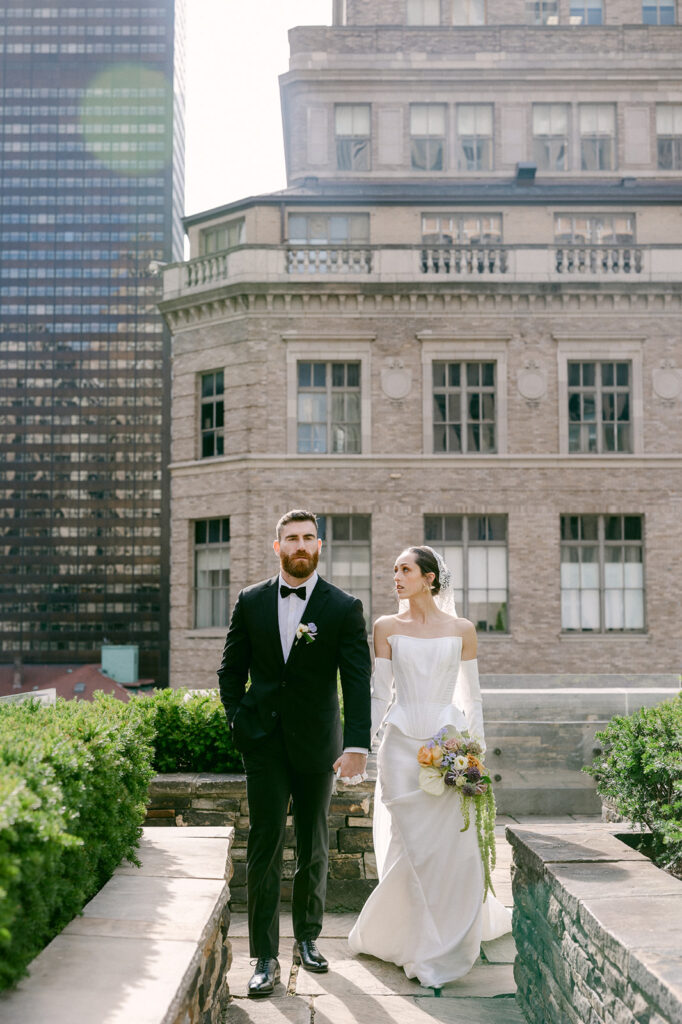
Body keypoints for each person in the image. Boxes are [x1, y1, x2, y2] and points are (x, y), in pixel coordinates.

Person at [218, 509, 371, 998]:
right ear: (277, 546)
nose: (300, 545)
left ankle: (307, 938)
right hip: (262, 744)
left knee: (313, 844)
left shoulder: (344, 607)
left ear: (319, 546)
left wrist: (356, 745)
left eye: (308, 538)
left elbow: (357, 681)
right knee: (264, 846)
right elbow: (229, 670)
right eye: (291, 538)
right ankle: (263, 955)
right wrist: (238, 720)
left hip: (317, 745)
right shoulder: (250, 600)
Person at [348, 545, 511, 989]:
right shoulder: (385, 627)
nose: (396, 577)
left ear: (430, 578)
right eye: (393, 569)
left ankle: (444, 942)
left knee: (448, 846)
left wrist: (474, 752)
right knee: (407, 844)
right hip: (399, 746)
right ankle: (409, 939)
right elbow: (379, 693)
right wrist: (359, 743)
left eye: (405, 570)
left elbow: (471, 696)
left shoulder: (462, 629)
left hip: (448, 744)